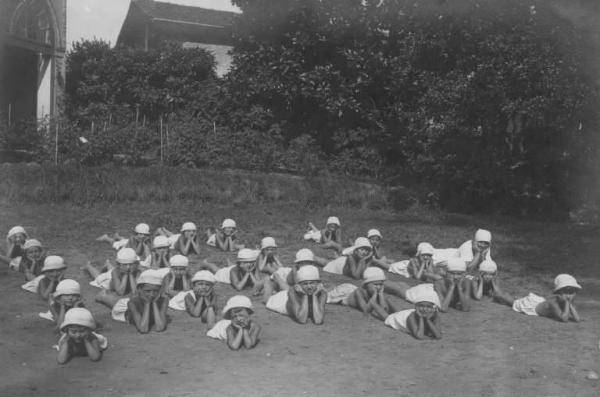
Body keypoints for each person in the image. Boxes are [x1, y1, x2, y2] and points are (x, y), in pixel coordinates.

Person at [385, 258, 471, 312]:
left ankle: (381, 279)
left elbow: (466, 308)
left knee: (402, 285)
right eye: (452, 274)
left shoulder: (466, 283)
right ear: (446, 273)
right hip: (426, 293)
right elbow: (444, 308)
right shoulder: (440, 283)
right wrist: (452, 288)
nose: (455, 277)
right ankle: (377, 280)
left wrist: (459, 288)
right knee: (400, 290)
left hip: (430, 291)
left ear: (463, 274)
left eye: (459, 274)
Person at [497, 274, 582, 322]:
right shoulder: (553, 303)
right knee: (513, 302)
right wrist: (567, 303)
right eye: (565, 293)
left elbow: (577, 319)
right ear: (558, 293)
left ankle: (505, 294)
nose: (568, 296)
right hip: (532, 307)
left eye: (571, 293)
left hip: (541, 302)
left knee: (517, 299)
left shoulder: (566, 301)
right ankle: (498, 294)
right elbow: (564, 319)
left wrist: (569, 304)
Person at [329, 267, 399, 321]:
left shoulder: (378, 292)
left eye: (380, 284)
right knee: (330, 294)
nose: (378, 287)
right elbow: (365, 310)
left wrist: (380, 295)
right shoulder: (359, 292)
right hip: (345, 295)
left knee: (387, 300)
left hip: (353, 290)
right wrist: (374, 295)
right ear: (366, 285)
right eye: (375, 284)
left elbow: (384, 309)